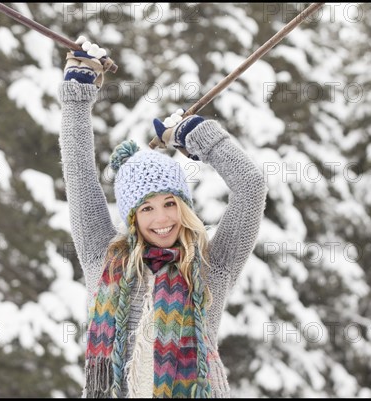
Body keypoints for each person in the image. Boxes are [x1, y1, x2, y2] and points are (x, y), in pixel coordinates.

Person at [58, 37, 267, 398]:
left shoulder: (210, 265)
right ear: (132, 217)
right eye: (146, 208)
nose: (161, 219)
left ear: (184, 206)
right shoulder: (104, 257)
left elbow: (251, 187)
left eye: (170, 203)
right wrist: (77, 95)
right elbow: (78, 175)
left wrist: (197, 136)